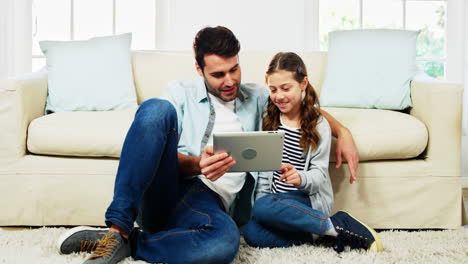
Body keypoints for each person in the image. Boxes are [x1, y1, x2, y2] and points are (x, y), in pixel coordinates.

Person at [56, 26, 360, 264]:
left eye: (234, 69)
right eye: (218, 74)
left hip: (208, 204)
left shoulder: (255, 97)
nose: (229, 81)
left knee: (224, 245)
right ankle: (117, 229)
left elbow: (298, 104)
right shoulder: (179, 93)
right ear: (199, 70)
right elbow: (153, 151)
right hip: (169, 189)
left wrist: (341, 131)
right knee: (155, 109)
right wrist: (196, 164)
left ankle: (130, 243)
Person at [242, 52, 383, 253]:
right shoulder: (269, 120)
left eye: (286, 88)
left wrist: (299, 178)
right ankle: (324, 231)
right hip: (276, 204)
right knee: (252, 232)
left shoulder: (319, 125)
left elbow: (319, 176)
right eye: (273, 89)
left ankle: (330, 223)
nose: (279, 96)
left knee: (264, 206)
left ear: (303, 83)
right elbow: (265, 175)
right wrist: (262, 208)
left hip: (306, 200)